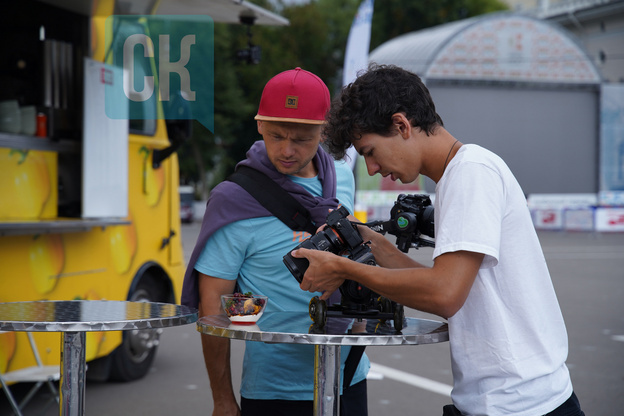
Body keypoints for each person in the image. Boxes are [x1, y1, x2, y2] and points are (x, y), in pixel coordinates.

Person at [292, 64, 585, 416]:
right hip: (510, 400)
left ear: (402, 125)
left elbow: (444, 294)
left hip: (521, 405)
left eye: (370, 151)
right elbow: (444, 282)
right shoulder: (458, 176)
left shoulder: (471, 173)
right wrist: (371, 245)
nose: (371, 169)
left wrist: (346, 269)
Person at [181, 67, 369, 416]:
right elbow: (212, 307)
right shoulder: (233, 200)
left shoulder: (342, 178)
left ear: (323, 130)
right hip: (274, 390)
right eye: (276, 135)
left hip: (349, 376)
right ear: (259, 125)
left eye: (300, 140)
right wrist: (222, 399)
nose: (286, 150)